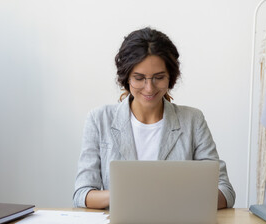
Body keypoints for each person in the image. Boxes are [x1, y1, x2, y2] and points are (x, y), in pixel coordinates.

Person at [73, 27, 235, 209]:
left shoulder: (192, 120)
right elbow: (82, 194)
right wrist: (127, 195)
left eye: (158, 77)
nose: (149, 88)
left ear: (170, 78)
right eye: (139, 78)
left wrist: (175, 197)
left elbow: (225, 191)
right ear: (127, 78)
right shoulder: (99, 119)